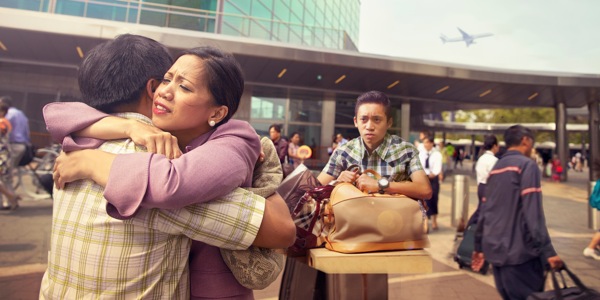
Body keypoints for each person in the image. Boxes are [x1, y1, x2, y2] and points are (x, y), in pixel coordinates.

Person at [41, 35, 295, 299]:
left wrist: (92, 162)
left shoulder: (78, 148)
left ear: (217, 113)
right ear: (152, 87)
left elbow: (174, 183)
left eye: (184, 86)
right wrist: (129, 126)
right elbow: (281, 231)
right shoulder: (149, 151)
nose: (165, 90)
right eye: (166, 79)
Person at [316, 90, 432, 298]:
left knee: (375, 286)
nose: (369, 126)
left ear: (389, 122)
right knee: (348, 287)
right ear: (355, 121)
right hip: (350, 232)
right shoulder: (344, 151)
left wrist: (381, 184)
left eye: (377, 119)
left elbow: (425, 190)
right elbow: (315, 189)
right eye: (364, 119)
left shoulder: (405, 150)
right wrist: (336, 181)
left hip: (390, 231)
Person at [472, 125, 563, 300]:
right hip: (520, 255)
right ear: (525, 141)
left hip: (496, 254)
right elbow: (533, 214)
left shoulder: (495, 170)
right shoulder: (526, 165)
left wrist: (478, 246)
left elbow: (483, 211)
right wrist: (548, 251)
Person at [467, 134, 499, 227]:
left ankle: (473, 227)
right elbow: (494, 177)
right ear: (494, 146)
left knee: (482, 209)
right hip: (488, 187)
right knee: (483, 210)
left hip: (481, 186)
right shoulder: (494, 160)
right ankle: (470, 227)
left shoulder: (481, 159)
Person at [419, 135, 442, 230]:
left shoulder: (437, 154)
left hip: (433, 179)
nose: (426, 144)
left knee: (434, 199)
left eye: (428, 142)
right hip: (423, 179)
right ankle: (425, 223)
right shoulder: (420, 154)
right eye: (424, 142)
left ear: (432, 143)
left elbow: (437, 168)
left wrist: (432, 175)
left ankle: (434, 220)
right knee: (424, 201)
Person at [0, 95, 31, 168]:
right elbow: (27, 131)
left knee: (4, 170)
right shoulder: (20, 113)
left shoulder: (7, 115)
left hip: (11, 145)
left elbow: (4, 130)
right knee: (9, 169)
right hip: (22, 146)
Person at [0, 102, 19, 210]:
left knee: (4, 179)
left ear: (2, 112)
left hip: (2, 154)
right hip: (5, 153)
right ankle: (10, 201)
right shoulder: (6, 122)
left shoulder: (2, 122)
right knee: (5, 179)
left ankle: (10, 200)